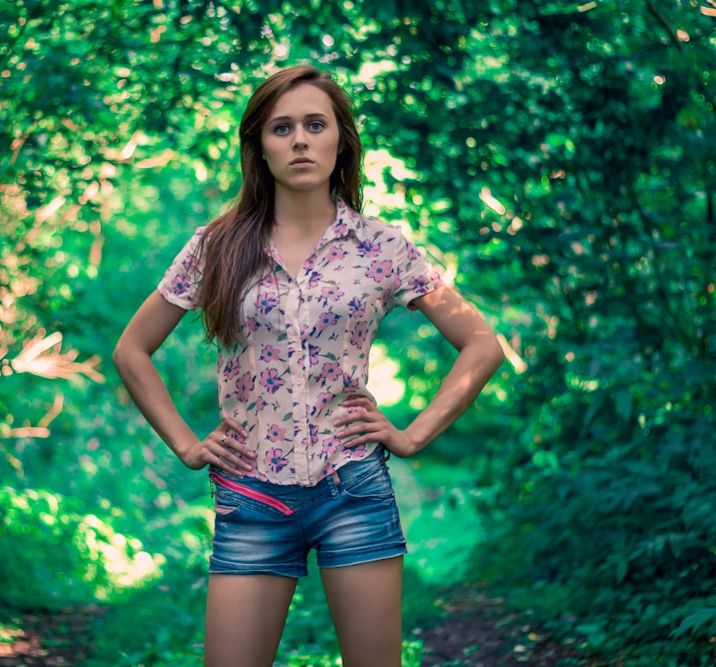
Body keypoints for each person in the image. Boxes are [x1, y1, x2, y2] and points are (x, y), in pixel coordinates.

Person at [113, 64, 505, 667]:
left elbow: (482, 344)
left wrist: (411, 435)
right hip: (250, 495)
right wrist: (189, 447)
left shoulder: (382, 246)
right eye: (282, 128)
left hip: (353, 489)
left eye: (315, 125)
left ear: (340, 140)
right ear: (259, 148)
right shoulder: (216, 246)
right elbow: (131, 351)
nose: (299, 140)